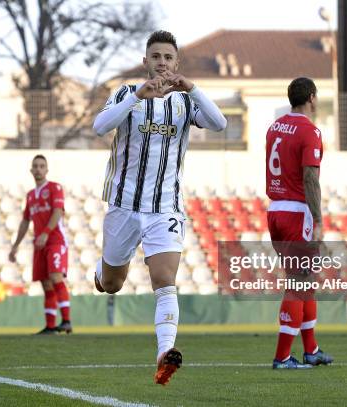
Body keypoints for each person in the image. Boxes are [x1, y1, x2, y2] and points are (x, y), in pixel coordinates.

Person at [92, 30, 227, 385]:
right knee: (111, 283)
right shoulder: (125, 93)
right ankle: (101, 269)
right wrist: (137, 96)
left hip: (165, 208)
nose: (162, 63)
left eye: (168, 58)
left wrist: (193, 88)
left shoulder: (185, 103)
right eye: (156, 57)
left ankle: (164, 352)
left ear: (176, 64)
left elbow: (220, 123)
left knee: (165, 281)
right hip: (124, 205)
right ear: (145, 61)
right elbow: (99, 127)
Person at [265, 77, 334, 369]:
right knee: (298, 283)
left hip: (275, 210)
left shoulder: (275, 126)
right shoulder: (310, 131)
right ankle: (282, 357)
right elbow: (309, 177)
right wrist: (317, 219)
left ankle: (311, 350)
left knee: (305, 283)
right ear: (313, 98)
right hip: (297, 213)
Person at [9, 155, 71, 335]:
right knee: (45, 283)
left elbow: (58, 211)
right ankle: (50, 326)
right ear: (31, 170)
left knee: (55, 277)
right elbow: (25, 221)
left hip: (55, 240)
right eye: (35, 166)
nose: (38, 169)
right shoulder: (30, 195)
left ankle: (66, 321)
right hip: (39, 243)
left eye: (42, 166)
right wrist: (15, 246)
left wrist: (45, 233)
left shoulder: (54, 188)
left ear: (47, 170)